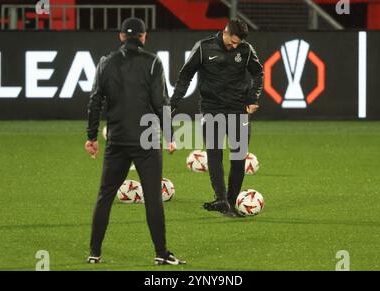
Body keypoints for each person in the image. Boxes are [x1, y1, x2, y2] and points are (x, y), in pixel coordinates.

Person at [84, 18, 185, 265]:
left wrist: (91, 137)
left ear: (121, 37)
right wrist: (170, 136)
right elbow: (161, 102)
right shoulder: (152, 62)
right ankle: (161, 254)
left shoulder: (105, 63)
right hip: (147, 140)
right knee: (152, 197)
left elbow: (95, 100)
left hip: (117, 139)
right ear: (143, 36)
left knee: (105, 195)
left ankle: (94, 253)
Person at [171, 19, 264, 217]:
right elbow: (185, 74)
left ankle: (230, 202)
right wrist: (174, 102)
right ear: (225, 32)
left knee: (239, 158)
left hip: (239, 110)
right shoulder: (204, 48)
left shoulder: (246, 50)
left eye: (238, 43)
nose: (235, 46)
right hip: (211, 109)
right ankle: (221, 199)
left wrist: (252, 97)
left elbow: (258, 74)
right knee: (215, 154)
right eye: (233, 41)